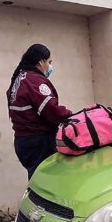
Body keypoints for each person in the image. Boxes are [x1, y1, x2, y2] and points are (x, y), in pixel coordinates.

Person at [7, 43, 72, 179]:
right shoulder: (35, 82)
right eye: (49, 62)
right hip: (38, 142)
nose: (50, 65)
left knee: (37, 179)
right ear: (41, 62)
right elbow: (52, 111)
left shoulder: (20, 78)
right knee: (48, 182)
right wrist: (72, 116)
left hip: (23, 141)